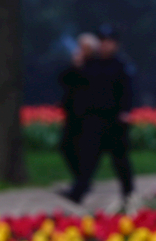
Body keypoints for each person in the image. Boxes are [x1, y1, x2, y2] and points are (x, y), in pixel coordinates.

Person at [62, 25, 135, 208]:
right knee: (87, 157)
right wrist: (75, 65)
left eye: (109, 43)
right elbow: (68, 83)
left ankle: (128, 192)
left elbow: (128, 91)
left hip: (115, 120)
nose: (105, 46)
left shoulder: (121, 66)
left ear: (115, 45)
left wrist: (126, 112)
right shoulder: (88, 63)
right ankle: (78, 192)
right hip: (93, 120)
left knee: (120, 160)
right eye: (102, 42)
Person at [58, 34, 98, 177]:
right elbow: (63, 80)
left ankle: (83, 180)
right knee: (67, 146)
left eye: (85, 48)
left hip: (90, 115)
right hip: (73, 113)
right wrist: (75, 66)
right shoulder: (75, 66)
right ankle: (80, 178)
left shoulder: (96, 66)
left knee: (86, 148)